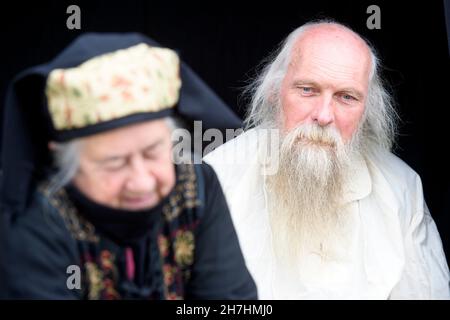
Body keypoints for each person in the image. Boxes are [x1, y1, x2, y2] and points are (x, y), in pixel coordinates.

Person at [204, 20, 450, 299]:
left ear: (367, 109)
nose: (323, 116)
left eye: (346, 97)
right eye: (307, 89)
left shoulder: (402, 188)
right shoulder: (216, 177)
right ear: (275, 91)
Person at [0, 33, 256, 299]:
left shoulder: (197, 186)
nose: (142, 182)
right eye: (114, 163)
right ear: (64, 162)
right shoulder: (36, 219)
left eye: (153, 152)